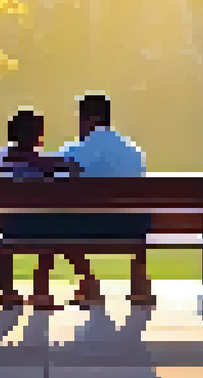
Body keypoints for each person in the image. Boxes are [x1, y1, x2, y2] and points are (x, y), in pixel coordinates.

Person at [41, 92, 154, 308]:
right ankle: (140, 283)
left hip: (92, 227)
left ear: (90, 120)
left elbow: (54, 170)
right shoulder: (134, 151)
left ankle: (89, 282)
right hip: (133, 227)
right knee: (137, 215)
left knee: (55, 224)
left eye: (80, 120)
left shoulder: (79, 150)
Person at [0, 108, 83, 310]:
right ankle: (40, 291)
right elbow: (74, 170)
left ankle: (8, 292)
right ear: (39, 136)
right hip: (41, 228)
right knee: (52, 227)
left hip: (8, 226)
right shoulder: (49, 163)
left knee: (6, 236)